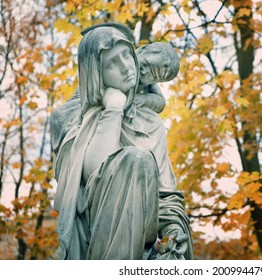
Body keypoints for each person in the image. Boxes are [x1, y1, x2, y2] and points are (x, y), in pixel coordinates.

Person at [51, 23, 193, 260]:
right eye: (111, 63)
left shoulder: (150, 122)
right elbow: (95, 176)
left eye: (126, 55)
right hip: (92, 233)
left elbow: (166, 195)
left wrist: (173, 230)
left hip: (139, 235)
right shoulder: (72, 118)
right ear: (96, 73)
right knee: (135, 159)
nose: (127, 67)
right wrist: (113, 110)